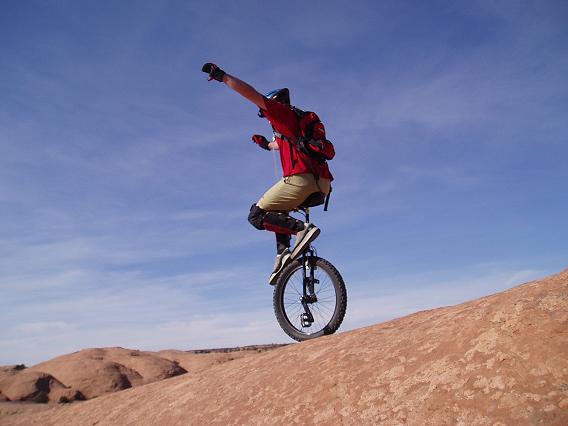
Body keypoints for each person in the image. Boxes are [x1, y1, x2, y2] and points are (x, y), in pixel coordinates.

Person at [202, 63, 334, 284]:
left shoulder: (280, 112)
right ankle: (282, 253)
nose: (265, 118)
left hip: (301, 180)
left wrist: (223, 77)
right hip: (323, 185)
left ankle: (301, 230)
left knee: (256, 215)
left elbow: (250, 93)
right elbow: (282, 144)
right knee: (277, 210)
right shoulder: (298, 121)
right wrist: (266, 145)